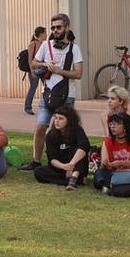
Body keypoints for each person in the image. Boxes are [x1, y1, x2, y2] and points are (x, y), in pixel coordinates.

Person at [29, 13, 83, 166]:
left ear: (66, 28)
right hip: (48, 94)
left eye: (58, 27)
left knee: (67, 131)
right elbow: (33, 63)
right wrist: (45, 65)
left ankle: (68, 161)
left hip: (67, 96)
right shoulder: (46, 46)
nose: (55, 30)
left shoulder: (74, 49)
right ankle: (36, 161)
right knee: (40, 127)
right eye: (53, 28)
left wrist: (59, 70)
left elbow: (78, 73)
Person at [36, 106, 91, 189]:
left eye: (61, 118)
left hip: (76, 166)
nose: (57, 121)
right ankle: (75, 181)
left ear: (69, 120)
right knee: (39, 172)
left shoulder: (77, 130)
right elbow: (52, 158)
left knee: (79, 152)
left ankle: (74, 178)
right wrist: (64, 166)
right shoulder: (51, 135)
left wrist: (71, 164)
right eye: (55, 118)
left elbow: (84, 147)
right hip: (60, 167)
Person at [94, 112, 130, 191]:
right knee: (99, 175)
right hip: (112, 171)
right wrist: (105, 163)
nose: (112, 126)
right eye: (111, 124)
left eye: (117, 124)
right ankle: (114, 184)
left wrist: (120, 163)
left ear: (126, 126)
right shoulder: (107, 141)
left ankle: (112, 185)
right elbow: (104, 163)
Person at [20, 25, 48, 117]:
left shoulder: (45, 44)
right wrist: (32, 71)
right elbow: (30, 58)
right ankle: (28, 107)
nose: (46, 35)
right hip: (35, 69)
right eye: (45, 33)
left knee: (48, 87)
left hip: (44, 69)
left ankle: (48, 106)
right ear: (41, 34)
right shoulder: (33, 44)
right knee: (33, 88)